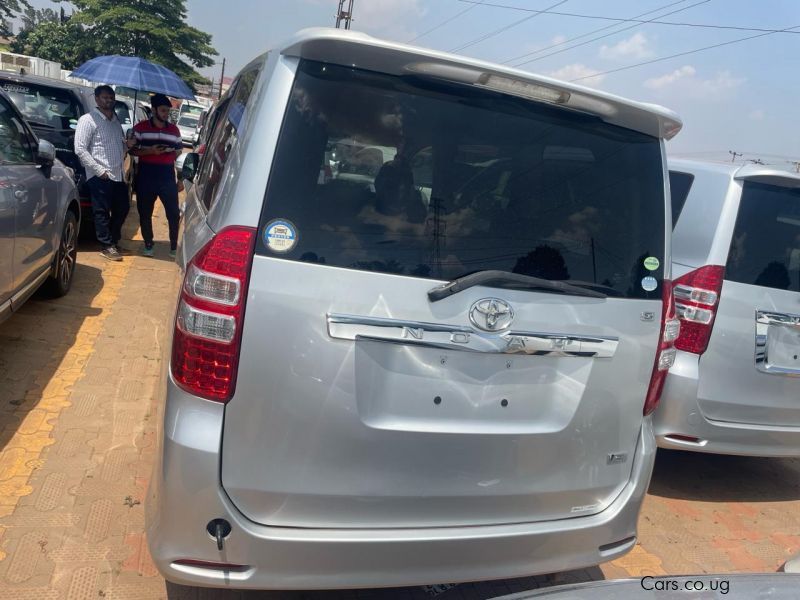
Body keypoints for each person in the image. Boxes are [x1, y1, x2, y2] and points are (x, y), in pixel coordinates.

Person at [74, 85, 135, 261]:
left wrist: (127, 145)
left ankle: (114, 242)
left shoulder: (115, 120)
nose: (109, 100)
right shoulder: (88, 120)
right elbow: (80, 149)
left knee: (122, 208)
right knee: (101, 212)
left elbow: (119, 146)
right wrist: (99, 171)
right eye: (105, 97)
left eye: (111, 97)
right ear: (97, 99)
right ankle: (106, 246)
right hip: (100, 174)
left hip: (117, 174)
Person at [130, 94, 183, 258]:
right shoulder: (140, 128)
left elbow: (179, 153)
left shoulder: (174, 130)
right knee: (145, 212)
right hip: (146, 173)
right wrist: (150, 151)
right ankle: (148, 244)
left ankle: (174, 247)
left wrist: (180, 178)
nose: (166, 114)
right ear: (153, 110)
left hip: (167, 174)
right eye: (163, 110)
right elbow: (132, 151)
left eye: (168, 111)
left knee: (173, 213)